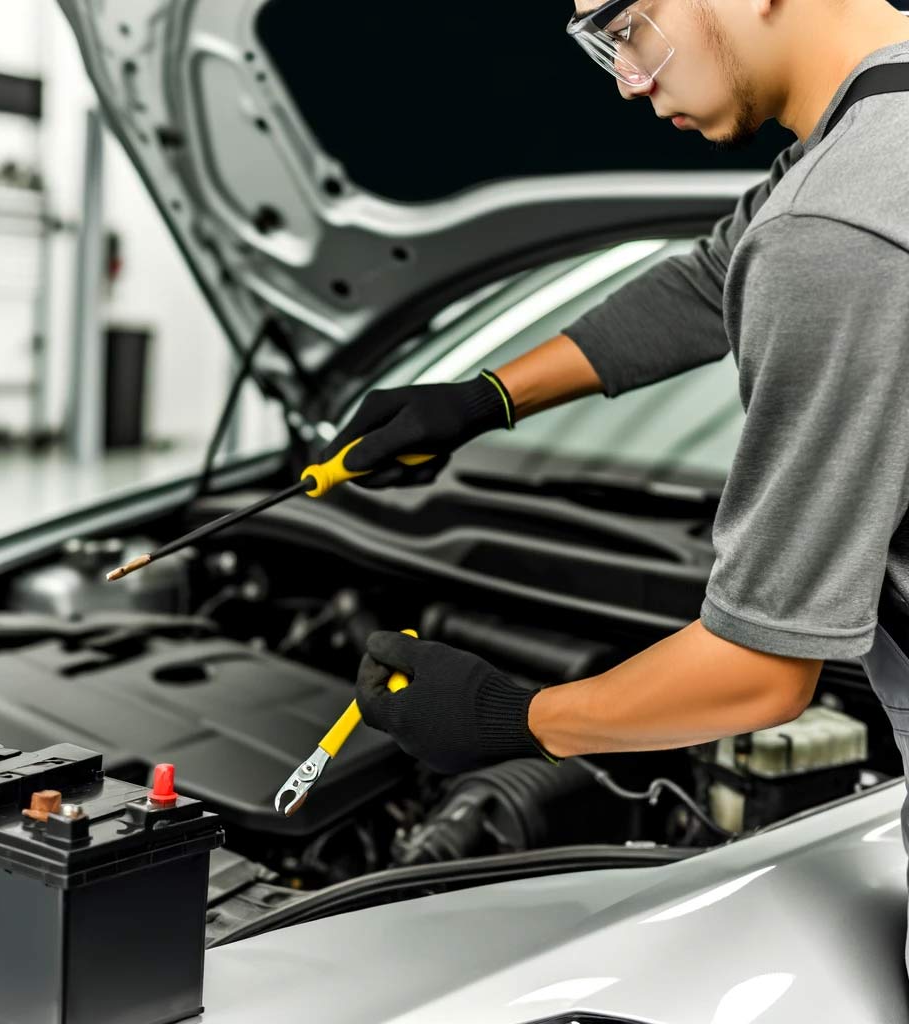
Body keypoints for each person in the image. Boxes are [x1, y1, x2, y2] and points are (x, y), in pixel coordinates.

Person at [320, 0, 909, 921]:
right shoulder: (873, 142)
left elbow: (761, 671)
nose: (628, 78)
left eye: (627, 24)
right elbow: (712, 273)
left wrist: (511, 720)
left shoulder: (837, 223)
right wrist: (486, 398)